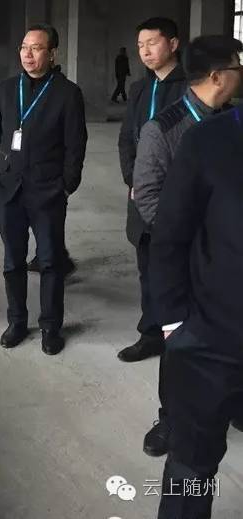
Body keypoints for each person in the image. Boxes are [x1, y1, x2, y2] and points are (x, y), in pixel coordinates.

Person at [132, 35, 243, 459]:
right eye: (236, 66)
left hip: (222, 266)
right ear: (217, 76)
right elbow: (148, 197)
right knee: (180, 345)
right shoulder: (164, 128)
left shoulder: (230, 126)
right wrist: (191, 240)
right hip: (181, 259)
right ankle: (171, 418)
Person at [150, 69, 243, 519]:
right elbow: (170, 236)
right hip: (210, 342)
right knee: (190, 468)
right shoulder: (210, 141)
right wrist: (175, 325)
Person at [0, 23, 87, 353]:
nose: (28, 54)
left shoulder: (67, 93)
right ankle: (16, 321)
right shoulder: (6, 89)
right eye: (24, 48)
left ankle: (50, 327)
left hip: (48, 191)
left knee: (50, 261)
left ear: (52, 53)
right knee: (13, 261)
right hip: (7, 189)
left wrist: (66, 185)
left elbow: (75, 145)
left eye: (37, 48)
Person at [117, 17, 186, 363]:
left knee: (181, 269)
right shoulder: (139, 90)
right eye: (140, 45)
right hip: (142, 198)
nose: (145, 51)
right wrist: (135, 181)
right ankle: (151, 333)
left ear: (173, 44)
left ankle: (185, 338)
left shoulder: (191, 87)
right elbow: (126, 140)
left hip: (179, 198)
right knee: (148, 269)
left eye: (153, 43)